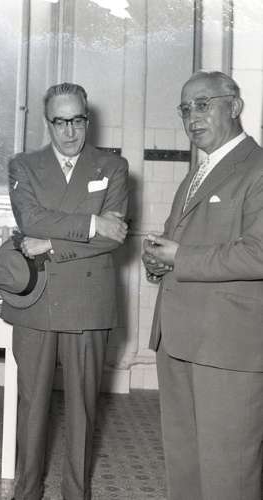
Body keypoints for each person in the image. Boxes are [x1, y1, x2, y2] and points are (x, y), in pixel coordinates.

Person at [0, 82, 129, 500]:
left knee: (82, 408)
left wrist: (51, 244)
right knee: (32, 405)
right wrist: (91, 223)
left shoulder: (113, 166)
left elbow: (114, 236)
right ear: (47, 123)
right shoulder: (23, 165)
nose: (70, 131)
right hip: (36, 299)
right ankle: (27, 491)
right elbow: (30, 220)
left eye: (77, 121)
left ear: (87, 119)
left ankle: (77, 492)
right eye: (60, 122)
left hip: (88, 303)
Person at [143, 71, 263, 500]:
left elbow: (258, 253)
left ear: (235, 106)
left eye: (203, 104)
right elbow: (181, 242)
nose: (192, 117)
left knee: (229, 472)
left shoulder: (257, 168)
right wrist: (157, 261)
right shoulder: (199, 172)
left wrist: (179, 257)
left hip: (227, 348)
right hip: (179, 338)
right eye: (185, 109)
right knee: (186, 463)